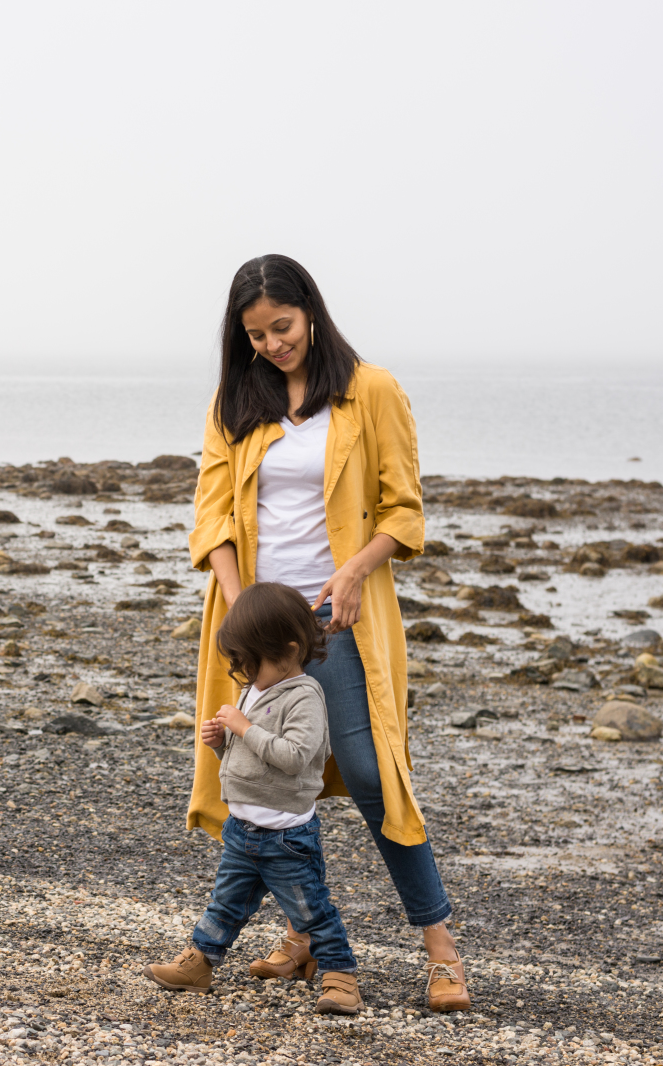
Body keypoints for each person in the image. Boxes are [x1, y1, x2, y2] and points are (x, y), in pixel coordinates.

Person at [186, 254, 470, 1013]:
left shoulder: (371, 390)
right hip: (257, 625)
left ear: (310, 310)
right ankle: (304, 937)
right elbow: (212, 517)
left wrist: (353, 572)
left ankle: (443, 952)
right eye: (256, 335)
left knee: (374, 776)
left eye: (282, 326)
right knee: (262, 778)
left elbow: (404, 510)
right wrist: (243, 608)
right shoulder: (234, 399)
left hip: (338, 619)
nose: (273, 344)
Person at [143, 581, 363, 1015]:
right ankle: (199, 963)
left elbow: (294, 757)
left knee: (311, 911)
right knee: (225, 904)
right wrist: (221, 743)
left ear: (289, 650)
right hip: (242, 830)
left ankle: (341, 976)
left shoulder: (304, 697)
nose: (243, 670)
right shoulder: (255, 688)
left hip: (286, 837)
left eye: (250, 661)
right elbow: (250, 757)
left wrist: (244, 728)